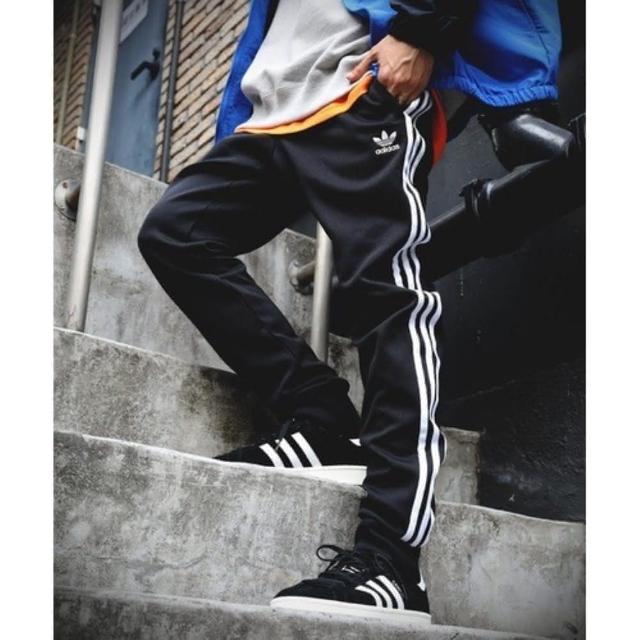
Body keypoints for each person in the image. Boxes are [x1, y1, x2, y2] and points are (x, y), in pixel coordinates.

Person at [138, 0, 561, 626]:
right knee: (176, 233)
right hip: (271, 112)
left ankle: (392, 562)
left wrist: (420, 30)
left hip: (359, 84)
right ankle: (322, 419)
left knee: (388, 296)